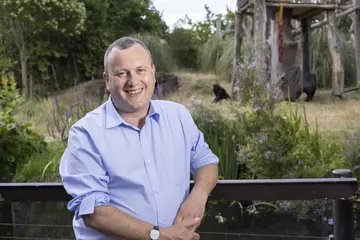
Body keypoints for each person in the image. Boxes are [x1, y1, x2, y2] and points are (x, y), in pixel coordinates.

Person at [59, 37, 219, 240]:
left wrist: (199, 195)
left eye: (140, 70)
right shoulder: (85, 134)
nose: (133, 81)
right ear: (107, 81)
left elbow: (207, 162)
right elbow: (94, 212)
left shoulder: (178, 115)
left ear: (152, 72)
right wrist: (159, 235)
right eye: (121, 73)